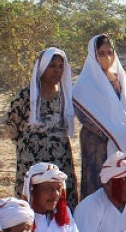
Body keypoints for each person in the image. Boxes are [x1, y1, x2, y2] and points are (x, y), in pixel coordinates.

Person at [6, 48, 79, 209]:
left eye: (60, 66)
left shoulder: (66, 96)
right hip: (31, 159)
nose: (57, 70)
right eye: (52, 66)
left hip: (60, 159)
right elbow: (12, 127)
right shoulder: (26, 96)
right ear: (42, 67)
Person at [73, 34, 126, 200]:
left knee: (124, 183)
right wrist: (112, 133)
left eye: (110, 53)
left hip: (124, 143)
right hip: (97, 143)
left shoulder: (120, 80)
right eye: (102, 53)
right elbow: (84, 114)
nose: (107, 57)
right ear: (93, 55)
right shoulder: (85, 84)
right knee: (99, 185)